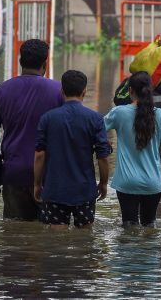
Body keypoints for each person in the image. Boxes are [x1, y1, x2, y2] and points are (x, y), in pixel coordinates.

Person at [0, 39, 64, 221]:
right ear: (45, 63)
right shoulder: (59, 91)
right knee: (51, 232)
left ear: (20, 61)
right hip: (50, 175)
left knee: (14, 232)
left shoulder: (2, 91)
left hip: (13, 173)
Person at [33, 70, 111, 229]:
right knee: (84, 240)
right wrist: (103, 183)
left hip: (55, 190)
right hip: (84, 190)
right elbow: (102, 157)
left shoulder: (48, 118)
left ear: (62, 91)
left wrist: (37, 184)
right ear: (84, 91)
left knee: (56, 241)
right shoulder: (95, 119)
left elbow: (40, 155)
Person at [105, 71, 161, 227]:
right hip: (152, 183)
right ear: (150, 90)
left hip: (126, 182)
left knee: (129, 227)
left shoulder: (118, 113)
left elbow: (96, 131)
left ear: (130, 91)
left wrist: (105, 144)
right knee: (149, 226)